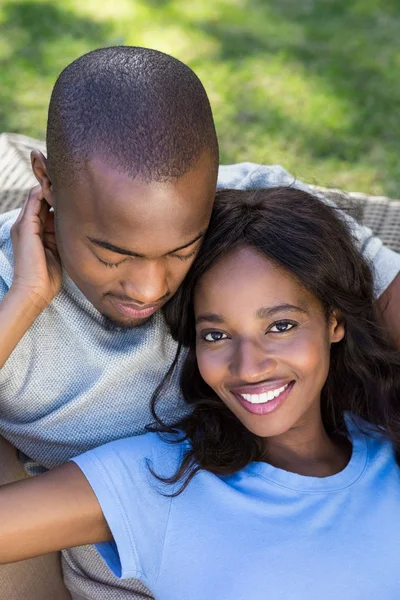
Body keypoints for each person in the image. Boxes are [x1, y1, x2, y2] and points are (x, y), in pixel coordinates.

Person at [0, 46, 399, 600]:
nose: (149, 289)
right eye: (113, 254)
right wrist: (22, 300)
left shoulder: (255, 217)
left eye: (182, 251)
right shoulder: (145, 479)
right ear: (44, 181)